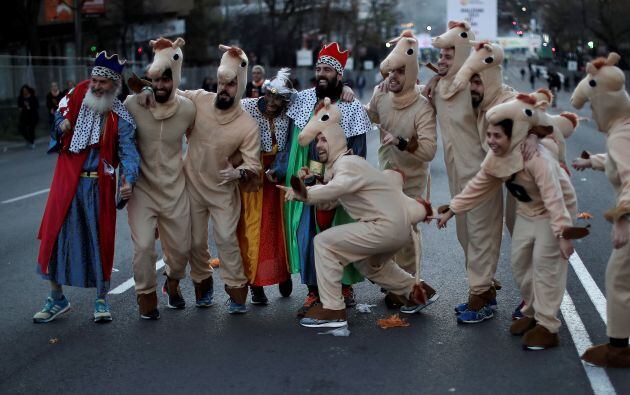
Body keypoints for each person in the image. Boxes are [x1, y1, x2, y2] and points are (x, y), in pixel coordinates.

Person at [438, 94, 579, 350]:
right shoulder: (496, 157)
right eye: (489, 135)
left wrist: (563, 234)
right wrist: (452, 209)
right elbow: (478, 187)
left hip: (552, 211)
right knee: (520, 265)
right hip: (527, 210)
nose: (491, 141)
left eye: (497, 136)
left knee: (546, 268)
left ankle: (548, 327)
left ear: (513, 136)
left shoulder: (537, 157)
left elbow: (554, 197)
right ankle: (532, 313)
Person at [280, 98, 431, 328]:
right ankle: (416, 290)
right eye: (317, 140)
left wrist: (307, 194)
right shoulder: (341, 169)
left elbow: (336, 189)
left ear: (336, 139)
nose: (319, 145)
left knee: (323, 243)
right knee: (367, 264)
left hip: (385, 226)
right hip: (396, 228)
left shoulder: (347, 163)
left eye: (324, 139)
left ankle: (333, 309)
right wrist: (306, 187)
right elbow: (332, 200)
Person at [33, 51, 140, 323]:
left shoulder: (121, 117)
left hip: (97, 187)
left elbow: (128, 152)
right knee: (56, 238)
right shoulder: (75, 98)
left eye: (103, 82)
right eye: (94, 80)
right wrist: (61, 125)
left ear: (114, 85)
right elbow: (58, 119)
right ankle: (57, 298)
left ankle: (101, 299)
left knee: (98, 241)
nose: (96, 86)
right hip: (67, 183)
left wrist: (128, 178)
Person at [427, 22, 506, 323]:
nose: (444, 60)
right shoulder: (441, 86)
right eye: (442, 55)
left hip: (483, 177)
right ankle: (487, 288)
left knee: (482, 235)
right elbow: (410, 95)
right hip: (458, 178)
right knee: (466, 237)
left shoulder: (478, 86)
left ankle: (479, 296)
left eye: (450, 55)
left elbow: (502, 96)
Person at [285, 42, 372, 316]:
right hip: (310, 180)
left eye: (327, 70)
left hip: (341, 183)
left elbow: (359, 149)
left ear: (339, 75)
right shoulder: (301, 100)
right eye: (318, 68)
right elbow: (289, 135)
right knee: (309, 235)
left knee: (342, 234)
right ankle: (313, 292)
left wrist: (349, 177)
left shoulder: (353, 106)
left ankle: (344, 287)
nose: (321, 74)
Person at [124, 37, 208, 320]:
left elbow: (204, 136)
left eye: (165, 80)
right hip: (142, 191)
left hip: (175, 190)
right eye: (155, 80)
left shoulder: (187, 109)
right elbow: (103, 104)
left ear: (175, 79)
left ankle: (172, 284)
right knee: (145, 247)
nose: (160, 86)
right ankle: (146, 298)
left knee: (181, 252)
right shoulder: (133, 105)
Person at [368, 30, 439, 309]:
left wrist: (400, 142)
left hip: (412, 180)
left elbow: (430, 151)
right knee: (387, 230)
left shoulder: (423, 107)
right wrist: (350, 96)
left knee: (406, 234)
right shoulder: (381, 94)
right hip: (386, 175)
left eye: (400, 71)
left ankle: (411, 286)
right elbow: (370, 116)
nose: (393, 77)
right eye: (390, 71)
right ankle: (396, 284)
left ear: (410, 72)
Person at [570, 52, 630, 368]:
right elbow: (621, 162)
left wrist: (623, 219)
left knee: (618, 279)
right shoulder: (625, 128)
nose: (592, 114)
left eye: (593, 106)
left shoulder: (621, 134)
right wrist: (593, 161)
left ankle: (619, 348)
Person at [238, 68, 297, 304]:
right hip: (253, 178)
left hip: (279, 179)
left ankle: (282, 274)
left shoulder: (290, 112)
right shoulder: (246, 106)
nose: (273, 103)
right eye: (271, 96)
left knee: (282, 230)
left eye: (279, 99)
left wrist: (345, 88)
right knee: (253, 229)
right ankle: (255, 283)